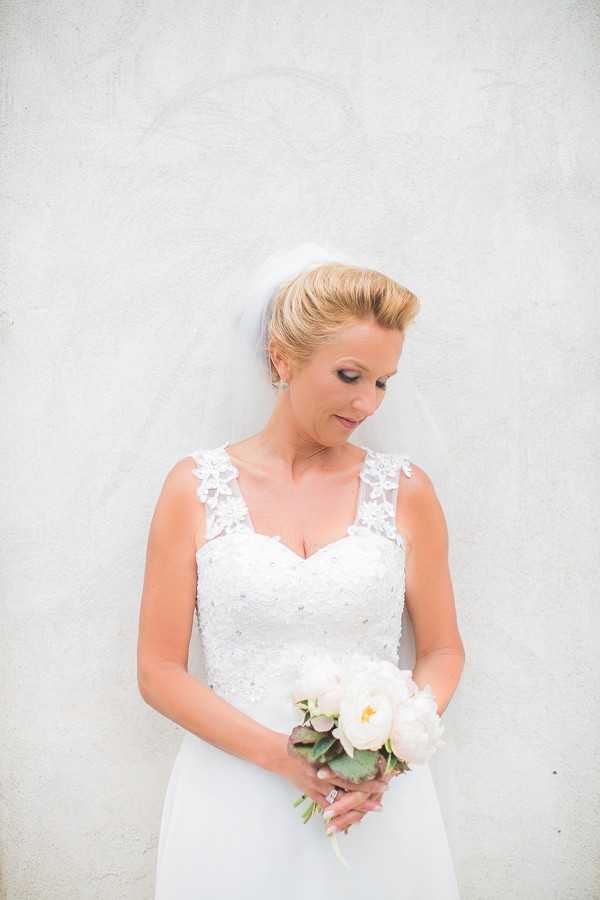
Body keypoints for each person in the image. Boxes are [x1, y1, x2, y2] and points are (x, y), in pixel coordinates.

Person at [137, 247, 465, 898]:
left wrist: (388, 758)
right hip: (231, 796)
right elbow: (159, 671)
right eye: (350, 375)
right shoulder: (194, 489)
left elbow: (442, 649)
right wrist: (281, 758)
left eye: (382, 381)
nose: (368, 402)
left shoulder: (406, 492)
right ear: (281, 358)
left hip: (371, 805)